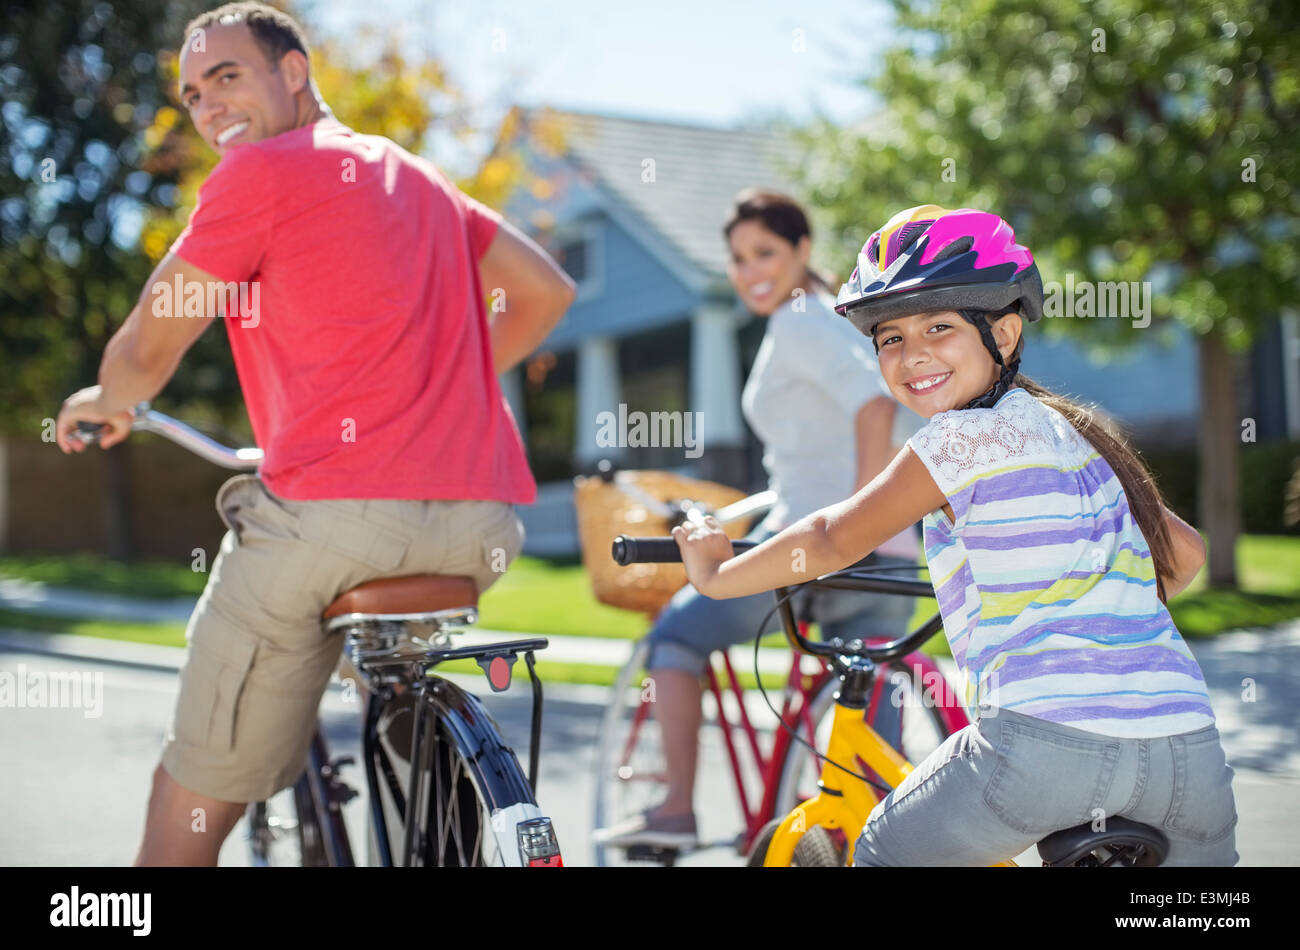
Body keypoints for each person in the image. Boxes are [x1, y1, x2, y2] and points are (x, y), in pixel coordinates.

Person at [54, 1, 576, 866]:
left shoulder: (262, 174)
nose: (208, 106)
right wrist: (436, 387)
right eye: (191, 94)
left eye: (227, 76)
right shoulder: (418, 175)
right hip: (480, 523)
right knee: (394, 708)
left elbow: (154, 338)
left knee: (193, 785)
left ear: (294, 70)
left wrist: (108, 398)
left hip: (333, 519)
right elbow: (547, 292)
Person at [671, 204, 1238, 866]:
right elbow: (1185, 556)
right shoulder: (1082, 435)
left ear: (1003, 329)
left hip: (1040, 744)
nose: (913, 356)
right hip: (1188, 750)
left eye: (939, 327)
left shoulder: (958, 437)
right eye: (889, 339)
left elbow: (829, 539)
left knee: (882, 848)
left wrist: (714, 573)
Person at [594, 189, 925, 850]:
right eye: (739, 258)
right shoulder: (842, 316)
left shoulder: (799, 319)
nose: (751, 271)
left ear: (803, 250)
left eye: (766, 252)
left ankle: (676, 811)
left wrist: (853, 521)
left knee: (677, 637)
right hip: (891, 549)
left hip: (822, 546)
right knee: (868, 697)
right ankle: (885, 845)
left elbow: (874, 409)